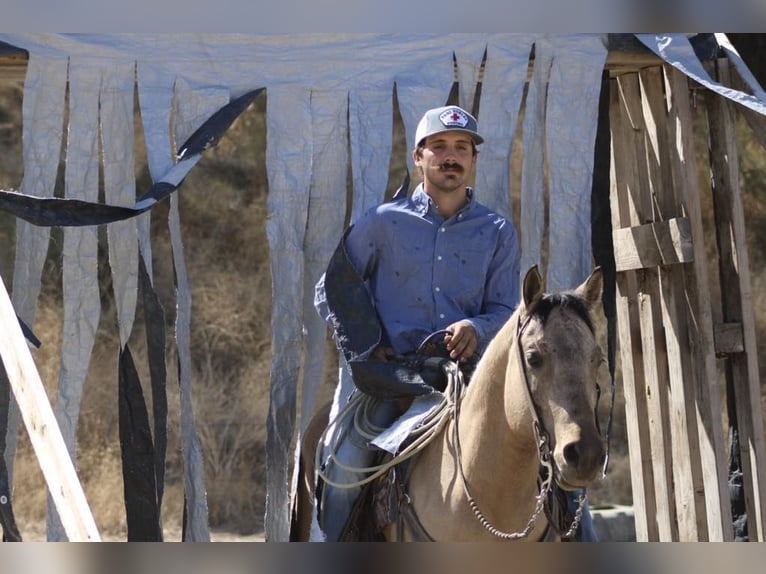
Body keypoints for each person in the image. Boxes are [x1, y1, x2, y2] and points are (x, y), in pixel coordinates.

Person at [313, 104, 596, 541]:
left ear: (473, 160)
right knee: (343, 475)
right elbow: (333, 288)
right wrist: (366, 346)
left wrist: (476, 328)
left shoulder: (497, 230)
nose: (451, 156)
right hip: (397, 380)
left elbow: (508, 311)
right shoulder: (382, 222)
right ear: (418, 157)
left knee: (569, 491)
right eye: (439, 146)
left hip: (474, 379)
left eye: (461, 148)